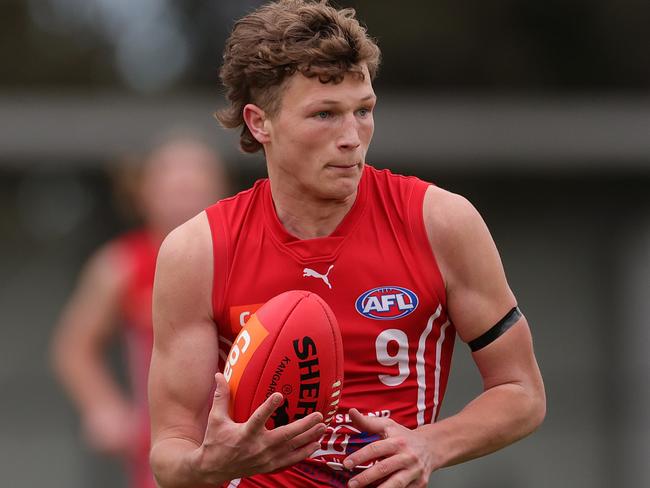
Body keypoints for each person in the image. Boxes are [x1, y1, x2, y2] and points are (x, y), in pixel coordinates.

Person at [148, 1, 546, 487]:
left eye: (363, 110)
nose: (352, 138)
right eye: (324, 115)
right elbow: (169, 453)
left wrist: (430, 445)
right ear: (259, 123)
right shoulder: (198, 251)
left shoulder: (440, 221)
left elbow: (521, 390)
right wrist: (211, 463)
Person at [51, 132, 229, 488]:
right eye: (173, 187)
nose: (184, 198)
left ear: (219, 191)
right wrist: (103, 408)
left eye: (195, 186)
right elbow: (74, 346)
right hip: (163, 443)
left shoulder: (245, 256)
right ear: (144, 193)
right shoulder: (121, 264)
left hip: (240, 438)